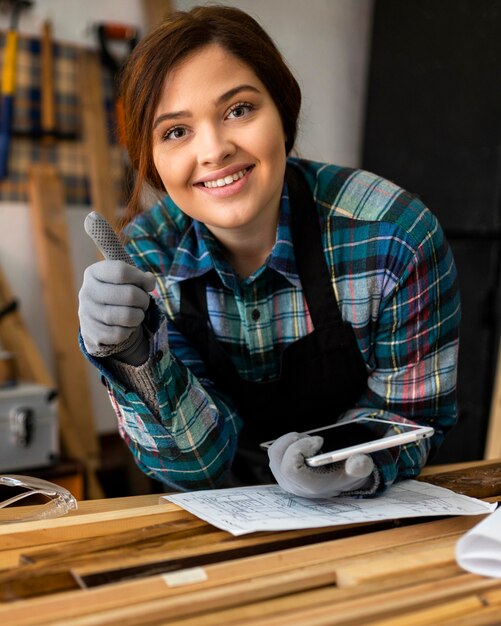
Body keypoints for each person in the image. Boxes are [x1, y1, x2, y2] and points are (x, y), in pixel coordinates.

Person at [78, 5, 460, 498]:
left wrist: (342, 456)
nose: (214, 150)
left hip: (375, 514)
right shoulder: (148, 259)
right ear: (151, 162)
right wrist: (136, 357)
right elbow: (195, 466)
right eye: (176, 131)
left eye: (238, 110)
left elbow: (414, 416)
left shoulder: (394, 237)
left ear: (283, 112)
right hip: (221, 521)